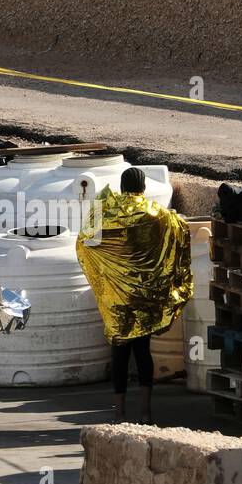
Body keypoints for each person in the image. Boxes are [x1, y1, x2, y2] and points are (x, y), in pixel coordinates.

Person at [77, 166, 192, 425]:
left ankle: (119, 414)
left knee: (119, 355)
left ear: (122, 187)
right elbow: (181, 229)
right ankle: (145, 412)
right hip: (143, 296)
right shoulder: (156, 213)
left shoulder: (108, 211)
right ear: (143, 187)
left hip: (116, 298)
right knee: (143, 352)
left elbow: (84, 241)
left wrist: (103, 274)